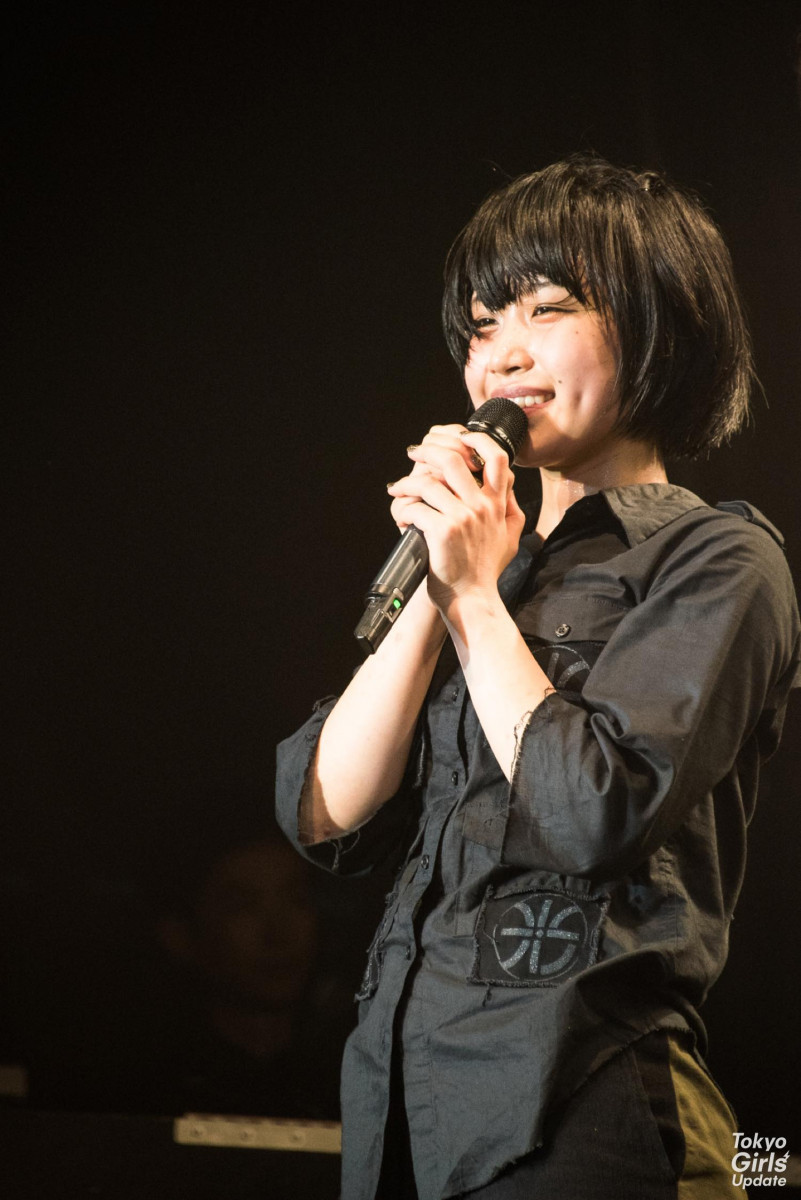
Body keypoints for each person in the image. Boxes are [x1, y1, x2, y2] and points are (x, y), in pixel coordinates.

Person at [275, 156, 800, 1199]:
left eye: (548, 309)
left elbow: (594, 812)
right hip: (406, 1113)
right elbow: (327, 813)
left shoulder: (718, 561)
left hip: (588, 1106)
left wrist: (475, 600)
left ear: (657, 322)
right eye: (480, 327)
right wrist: (445, 578)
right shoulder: (483, 563)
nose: (501, 354)